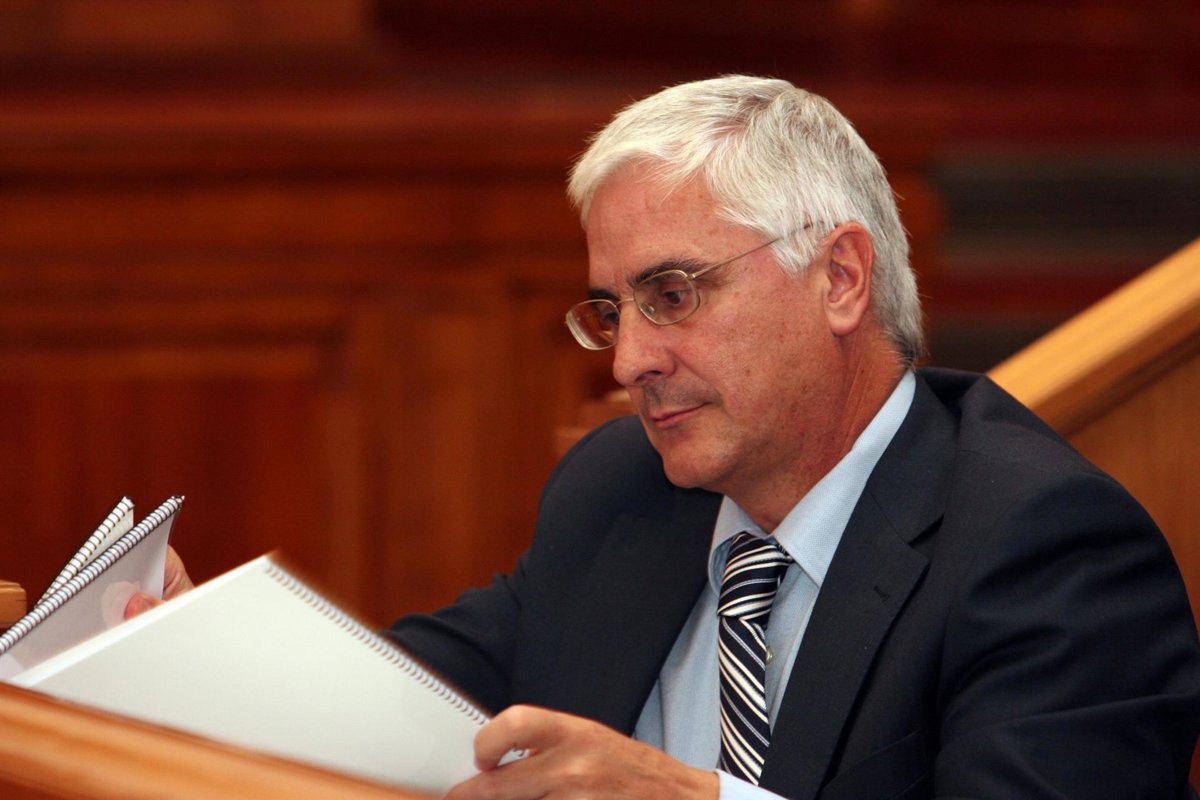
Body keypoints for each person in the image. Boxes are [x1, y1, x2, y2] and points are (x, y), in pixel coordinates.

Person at [141, 76, 1200, 799]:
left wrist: (686, 796)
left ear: (839, 278)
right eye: (613, 309)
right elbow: (409, 699)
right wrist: (196, 652)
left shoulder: (1046, 548)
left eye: (674, 294)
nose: (628, 361)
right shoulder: (623, 488)